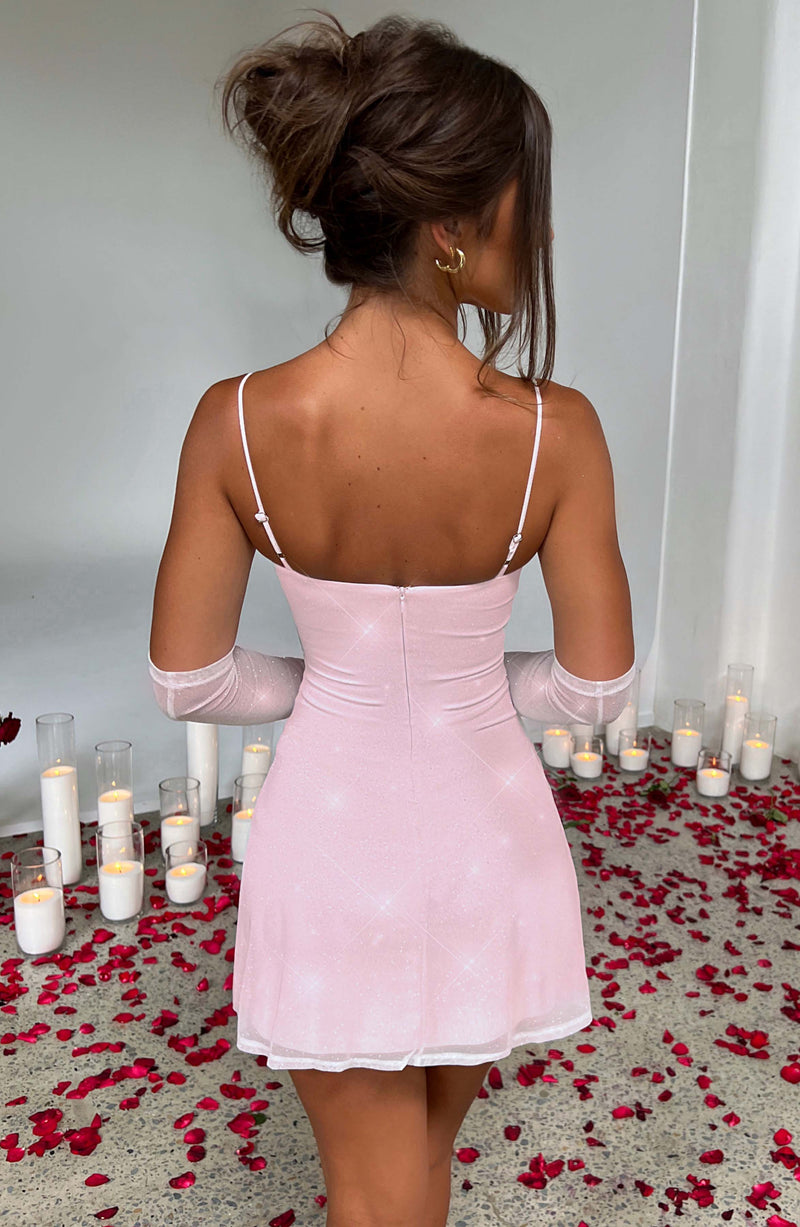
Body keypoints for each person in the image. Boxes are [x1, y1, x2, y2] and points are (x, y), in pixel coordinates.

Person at [148, 10, 636, 1225]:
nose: (545, 230)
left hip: (335, 846)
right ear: (449, 225)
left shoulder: (236, 421)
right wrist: (461, 682)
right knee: (417, 1169)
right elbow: (592, 689)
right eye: (526, 200)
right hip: (490, 845)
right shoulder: (557, 432)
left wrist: (345, 682)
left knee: (380, 1194)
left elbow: (189, 680)